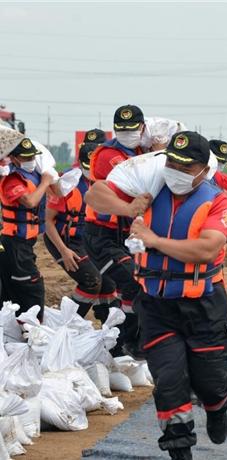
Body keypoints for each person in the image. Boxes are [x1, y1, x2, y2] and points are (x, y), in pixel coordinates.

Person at [85, 131, 227, 460]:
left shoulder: (217, 201)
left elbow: (207, 249)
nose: (176, 170)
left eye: (186, 165)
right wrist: (127, 206)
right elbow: (94, 195)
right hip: (156, 304)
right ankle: (180, 447)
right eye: (172, 162)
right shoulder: (150, 190)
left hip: (203, 306)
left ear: (202, 169)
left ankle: (218, 404)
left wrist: (153, 241)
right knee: (169, 380)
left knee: (209, 380)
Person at [84, 104, 145, 353]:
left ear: (142, 128)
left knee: (128, 288)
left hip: (126, 235)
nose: (126, 133)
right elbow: (131, 184)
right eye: (121, 129)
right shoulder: (110, 155)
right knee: (132, 282)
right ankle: (127, 342)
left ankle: (119, 343)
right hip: (102, 236)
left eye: (132, 129)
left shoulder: (142, 151)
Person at [43, 143, 117, 323]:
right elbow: (47, 222)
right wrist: (64, 251)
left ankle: (108, 327)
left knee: (109, 283)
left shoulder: (106, 183)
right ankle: (65, 326)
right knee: (92, 281)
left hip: (89, 240)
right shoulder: (68, 185)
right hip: (64, 241)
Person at [0, 138, 55, 320]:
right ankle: (31, 329)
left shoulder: (35, 176)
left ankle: (15, 330)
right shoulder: (12, 181)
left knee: (11, 289)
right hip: (14, 243)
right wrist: (46, 182)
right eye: (25, 157)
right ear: (14, 159)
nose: (30, 160)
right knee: (32, 287)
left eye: (32, 156)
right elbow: (30, 201)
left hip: (25, 244)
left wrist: (48, 179)